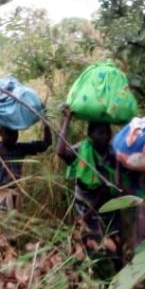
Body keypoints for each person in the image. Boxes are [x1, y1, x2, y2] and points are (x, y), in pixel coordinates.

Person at [56, 104, 123, 272]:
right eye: (100, 132)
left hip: (107, 203)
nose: (105, 136)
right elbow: (61, 152)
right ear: (90, 135)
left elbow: (110, 187)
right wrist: (67, 120)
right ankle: (93, 274)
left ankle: (118, 273)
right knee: (89, 241)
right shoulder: (83, 148)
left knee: (115, 239)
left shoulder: (113, 153)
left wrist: (88, 215)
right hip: (84, 201)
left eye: (108, 132)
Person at [0, 124, 52, 211]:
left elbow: (45, 144)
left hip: (15, 195)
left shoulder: (19, 149)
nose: (13, 137)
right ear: (0, 132)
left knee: (15, 221)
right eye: (9, 133)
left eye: (15, 132)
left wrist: (46, 124)